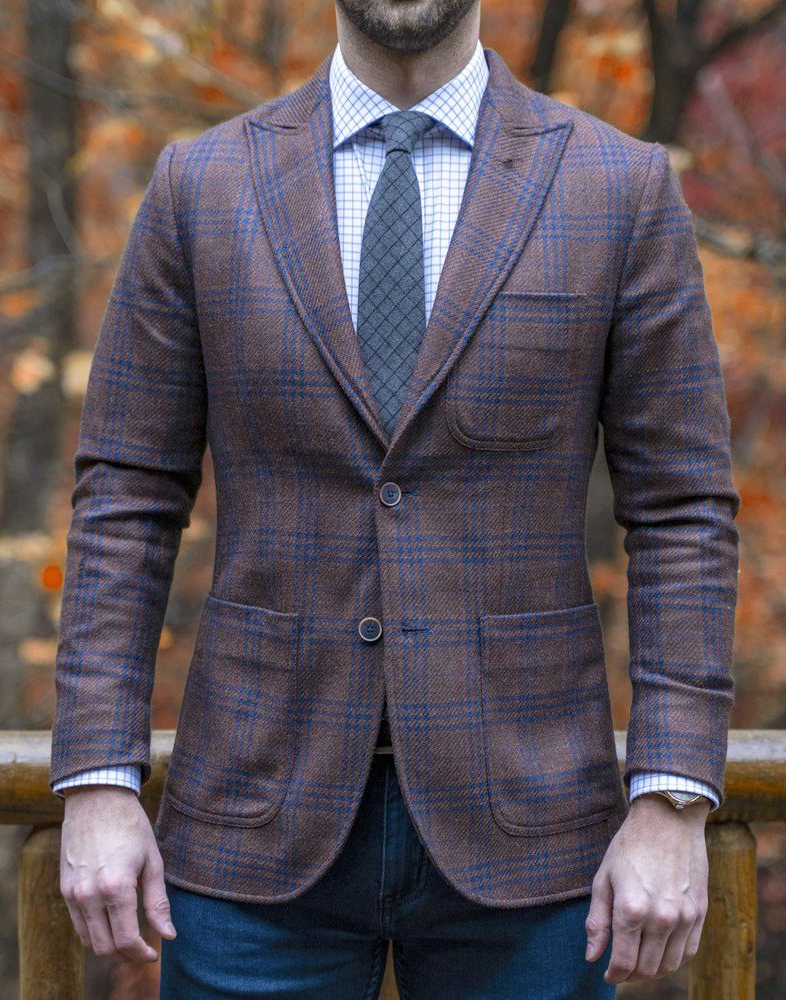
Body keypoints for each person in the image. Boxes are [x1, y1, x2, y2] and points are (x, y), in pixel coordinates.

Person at [50, 1, 740, 997]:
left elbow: (681, 510)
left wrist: (671, 798)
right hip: (252, 823)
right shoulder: (200, 186)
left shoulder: (615, 187)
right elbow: (126, 493)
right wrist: (99, 776)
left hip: (534, 832)